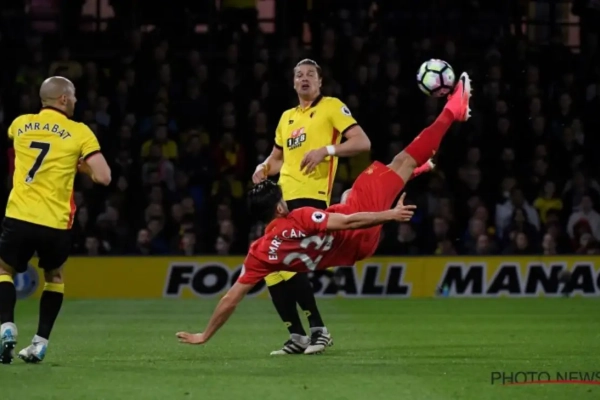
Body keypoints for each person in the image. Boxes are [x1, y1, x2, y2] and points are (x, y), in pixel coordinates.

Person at [175, 72, 472, 347]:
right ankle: (452, 112)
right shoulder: (300, 216)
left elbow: (231, 298)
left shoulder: (259, 252)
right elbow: (349, 222)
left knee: (350, 193)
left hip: (350, 248)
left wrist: (204, 335)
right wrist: (390, 215)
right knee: (402, 160)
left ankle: (414, 171)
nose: (304, 78)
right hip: (357, 231)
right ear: (280, 206)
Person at [251, 58, 371, 355]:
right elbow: (277, 159)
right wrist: (263, 167)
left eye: (310, 75)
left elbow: (362, 142)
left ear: (319, 82)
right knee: (272, 267)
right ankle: (297, 335)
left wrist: (326, 150)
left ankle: (318, 330)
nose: (304, 78)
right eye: (299, 75)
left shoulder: (331, 107)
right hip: (281, 201)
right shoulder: (287, 117)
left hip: (311, 197)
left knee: (288, 262)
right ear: (293, 83)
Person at [0, 76, 111, 364]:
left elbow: (20, 144)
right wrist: (81, 167)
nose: (75, 100)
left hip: (19, 214)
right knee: (54, 276)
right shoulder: (79, 132)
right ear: (63, 99)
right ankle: (39, 343)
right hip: (56, 221)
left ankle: (6, 326)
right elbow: (104, 177)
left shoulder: (19, 124)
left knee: (3, 270)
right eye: (73, 96)